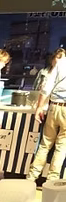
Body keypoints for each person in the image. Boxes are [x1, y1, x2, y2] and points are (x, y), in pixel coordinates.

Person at [29, 49, 66, 181]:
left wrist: (39, 107)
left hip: (54, 106)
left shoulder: (60, 65)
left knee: (45, 144)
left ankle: (31, 177)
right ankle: (51, 180)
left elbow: (46, 88)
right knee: (62, 147)